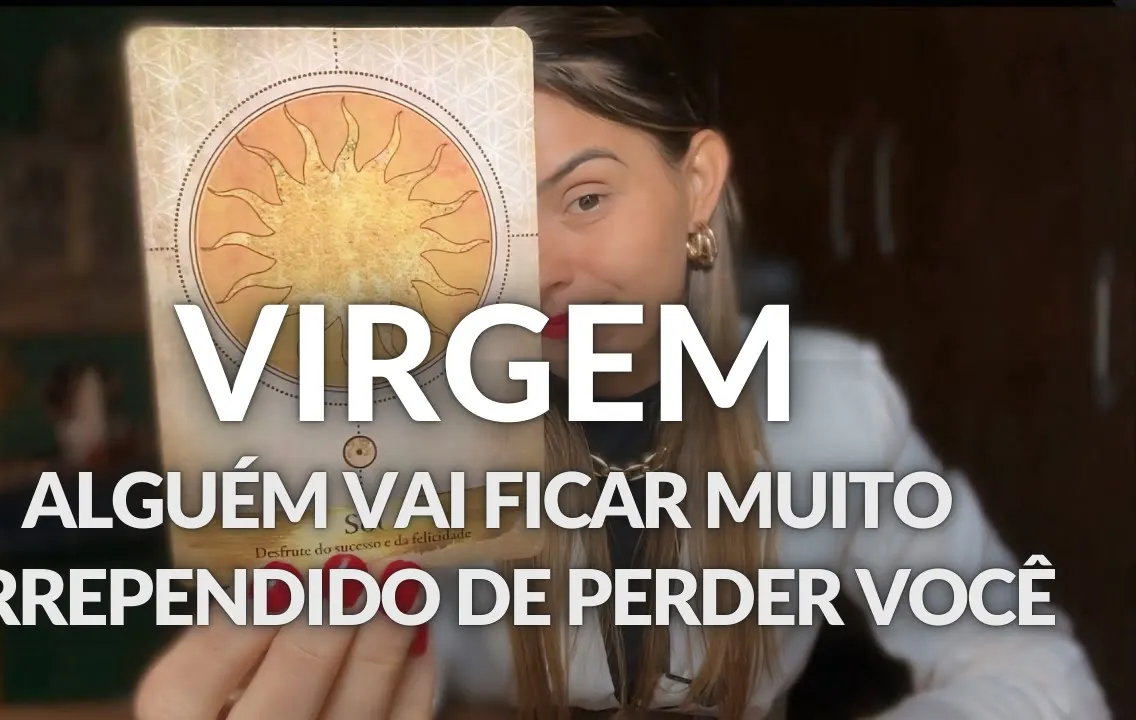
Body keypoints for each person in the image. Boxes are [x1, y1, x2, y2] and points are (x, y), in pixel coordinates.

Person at [133, 6, 1111, 719]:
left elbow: (1031, 667)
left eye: (586, 199)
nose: (544, 268)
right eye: (498, 219)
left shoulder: (826, 403)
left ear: (697, 186)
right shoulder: (390, 432)